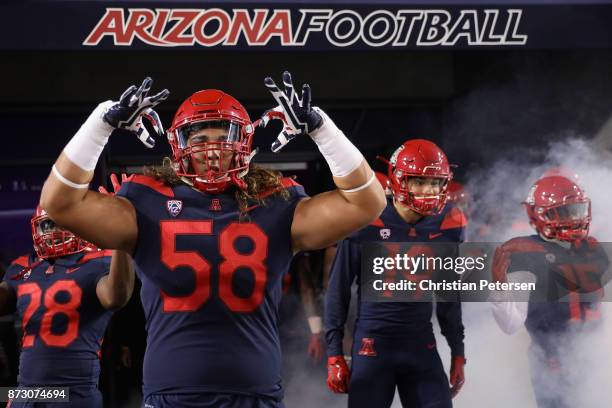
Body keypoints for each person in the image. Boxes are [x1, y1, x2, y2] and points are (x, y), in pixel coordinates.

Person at [39, 72, 386, 407]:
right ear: (178, 146)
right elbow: (58, 202)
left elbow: (368, 203)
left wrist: (322, 129)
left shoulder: (275, 201)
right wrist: (102, 123)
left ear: (244, 144)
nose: (211, 151)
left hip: (256, 393)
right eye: (200, 141)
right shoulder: (144, 201)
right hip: (171, 395)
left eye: (223, 139)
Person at [325, 139, 467, 408]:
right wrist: (334, 353)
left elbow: (449, 296)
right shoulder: (366, 219)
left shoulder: (448, 224)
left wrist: (458, 351)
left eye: (436, 182)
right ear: (398, 180)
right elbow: (337, 291)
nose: (429, 191)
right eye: (419, 182)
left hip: (421, 346)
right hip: (373, 347)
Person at [490, 174, 609, 408]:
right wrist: (499, 288)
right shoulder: (523, 254)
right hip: (553, 363)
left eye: (577, 210)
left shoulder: (592, 248)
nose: (575, 219)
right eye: (564, 212)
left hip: (595, 359)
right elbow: (510, 325)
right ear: (539, 215)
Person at [0, 207, 134, 407]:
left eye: (63, 222)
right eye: (47, 224)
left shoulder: (99, 261)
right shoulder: (22, 266)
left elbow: (115, 298)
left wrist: (120, 244)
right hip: (26, 392)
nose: (52, 230)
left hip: (73, 392)